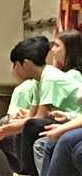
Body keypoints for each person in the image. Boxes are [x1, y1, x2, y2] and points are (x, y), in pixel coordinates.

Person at [0, 35, 82, 176]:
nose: (13, 69)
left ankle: (26, 173)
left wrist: (4, 130)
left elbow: (37, 119)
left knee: (33, 130)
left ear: (26, 64)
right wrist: (12, 123)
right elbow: (33, 115)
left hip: (74, 118)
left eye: (16, 64)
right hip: (64, 117)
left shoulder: (50, 77)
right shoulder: (37, 81)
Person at [32, 29, 82, 175]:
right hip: (74, 120)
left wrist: (64, 126)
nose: (52, 49)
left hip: (74, 124)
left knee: (53, 141)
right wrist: (67, 117)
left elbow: (40, 114)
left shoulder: (73, 74)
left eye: (57, 45)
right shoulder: (60, 73)